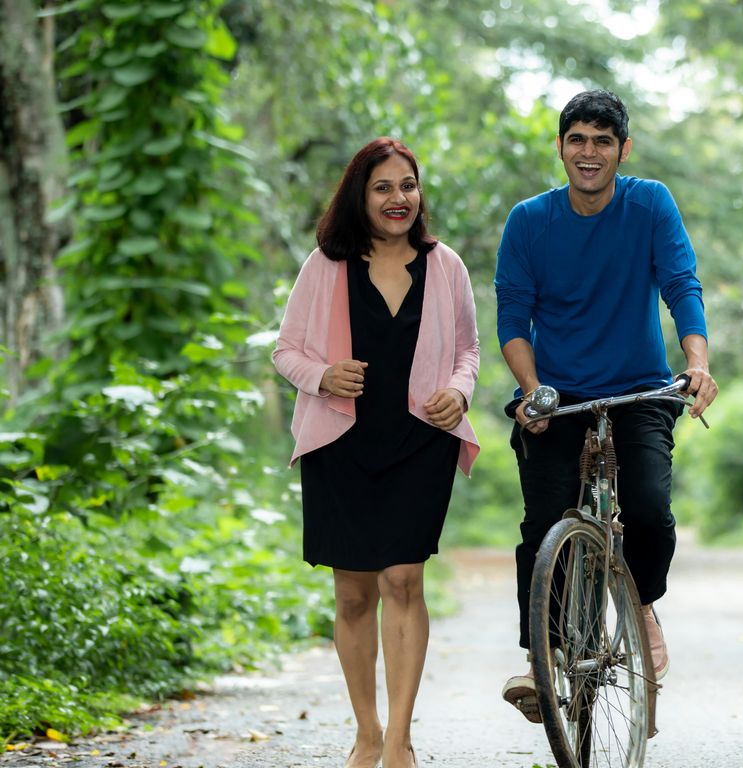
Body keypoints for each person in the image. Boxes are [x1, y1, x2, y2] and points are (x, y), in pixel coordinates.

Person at [492, 89, 718, 721]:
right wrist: (533, 389)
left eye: (602, 141)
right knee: (543, 526)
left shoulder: (649, 204)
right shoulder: (529, 220)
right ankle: (544, 661)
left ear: (623, 148)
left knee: (647, 506)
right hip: (557, 395)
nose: (588, 153)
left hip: (640, 389)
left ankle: (642, 600)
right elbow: (513, 314)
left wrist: (696, 363)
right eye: (576, 140)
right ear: (561, 147)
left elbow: (681, 284)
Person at [272, 137, 480, 768]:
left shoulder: (446, 266)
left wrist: (458, 392)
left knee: (403, 578)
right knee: (354, 592)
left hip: (420, 440)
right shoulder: (325, 266)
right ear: (359, 197)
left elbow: (468, 351)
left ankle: (398, 741)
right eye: (384, 188)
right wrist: (323, 376)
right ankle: (366, 730)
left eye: (408, 186)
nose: (399, 199)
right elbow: (286, 352)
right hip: (342, 441)